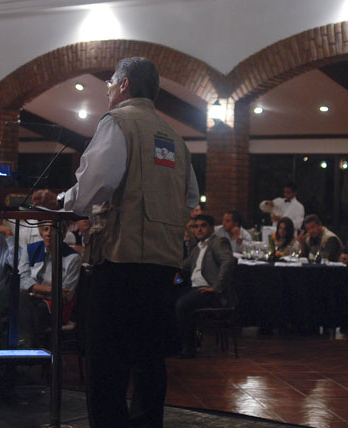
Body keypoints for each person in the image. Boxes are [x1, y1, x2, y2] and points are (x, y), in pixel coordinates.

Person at [33, 57, 198, 428]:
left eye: (110, 82)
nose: (107, 88)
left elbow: (95, 186)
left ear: (124, 84)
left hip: (119, 259)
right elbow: (190, 201)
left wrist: (62, 202)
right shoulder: (175, 138)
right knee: (149, 358)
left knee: (107, 361)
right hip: (164, 262)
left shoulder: (118, 122)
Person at [175, 214, 236, 358]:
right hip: (195, 289)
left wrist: (216, 287)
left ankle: (188, 349)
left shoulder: (218, 242)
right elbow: (184, 266)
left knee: (182, 305)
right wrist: (176, 275)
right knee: (169, 298)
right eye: (196, 226)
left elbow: (228, 262)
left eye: (203, 226)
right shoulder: (197, 248)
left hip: (211, 292)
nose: (199, 229)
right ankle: (179, 345)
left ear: (212, 228)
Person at [18, 222, 81, 346]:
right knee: (21, 301)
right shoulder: (30, 249)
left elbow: (65, 295)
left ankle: (25, 349)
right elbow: (21, 280)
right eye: (45, 229)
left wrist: (32, 290)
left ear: (62, 234)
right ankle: (31, 350)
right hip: (31, 300)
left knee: (21, 305)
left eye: (52, 230)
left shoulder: (73, 258)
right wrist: (50, 290)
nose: (48, 234)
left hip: (54, 308)